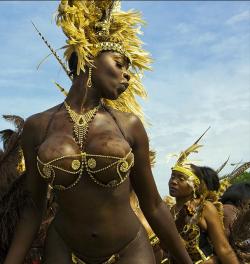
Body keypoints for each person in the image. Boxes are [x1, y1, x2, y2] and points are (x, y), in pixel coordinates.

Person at [4, 1, 192, 264]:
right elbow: (33, 208)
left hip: (129, 250)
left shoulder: (129, 125)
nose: (127, 76)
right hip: (63, 250)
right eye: (119, 64)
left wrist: (185, 261)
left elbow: (154, 205)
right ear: (91, 58)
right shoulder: (38, 126)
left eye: (128, 69)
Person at [166, 132, 239, 264]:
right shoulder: (170, 211)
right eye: (172, 176)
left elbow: (223, 248)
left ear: (194, 185)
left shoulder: (205, 208)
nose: (173, 181)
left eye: (181, 178)